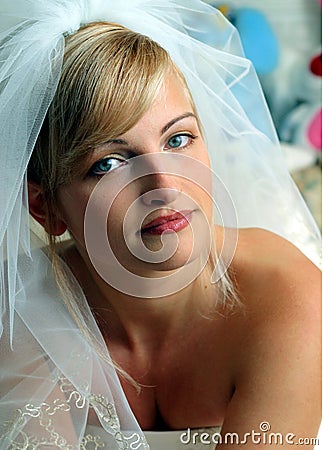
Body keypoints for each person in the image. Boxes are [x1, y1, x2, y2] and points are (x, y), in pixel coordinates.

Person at [0, 1, 321, 449]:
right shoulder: (21, 323)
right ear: (45, 209)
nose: (165, 185)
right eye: (109, 163)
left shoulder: (290, 299)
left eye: (178, 139)